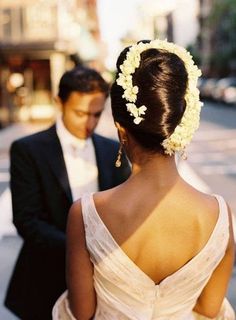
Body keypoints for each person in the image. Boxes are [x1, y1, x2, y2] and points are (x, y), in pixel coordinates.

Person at [53, 40, 235, 319]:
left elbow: (82, 312)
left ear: (120, 128)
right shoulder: (219, 215)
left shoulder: (86, 214)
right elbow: (210, 310)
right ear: (179, 122)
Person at [5, 66, 131, 320]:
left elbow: (126, 208)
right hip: (44, 281)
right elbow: (27, 221)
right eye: (81, 113)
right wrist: (82, 251)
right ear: (59, 102)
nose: (90, 123)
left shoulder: (112, 150)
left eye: (96, 114)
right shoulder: (27, 150)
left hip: (104, 286)